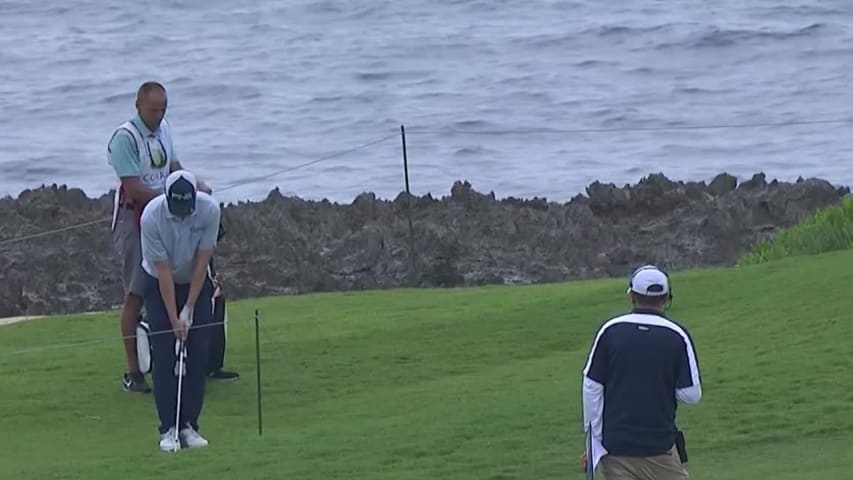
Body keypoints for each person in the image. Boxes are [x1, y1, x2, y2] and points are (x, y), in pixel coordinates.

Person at [107, 80, 211, 393]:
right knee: (136, 292)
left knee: (176, 278)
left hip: (165, 214)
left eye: (163, 108)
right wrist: (171, 199)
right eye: (154, 109)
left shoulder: (164, 129)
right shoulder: (125, 138)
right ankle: (133, 370)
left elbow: (174, 167)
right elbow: (134, 187)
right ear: (139, 106)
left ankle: (180, 359)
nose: (159, 114)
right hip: (134, 217)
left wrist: (195, 187)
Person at [580, 265, 702, 480]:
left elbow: (592, 386)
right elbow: (692, 395)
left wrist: (594, 443)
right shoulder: (677, 335)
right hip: (660, 449)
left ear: (632, 296)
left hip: (615, 450)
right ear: (667, 298)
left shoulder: (610, 330)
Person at [140, 169, 220, 451]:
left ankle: (189, 426)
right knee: (164, 354)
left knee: (198, 351)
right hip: (159, 282)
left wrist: (189, 308)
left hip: (194, 282)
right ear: (167, 198)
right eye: (178, 209)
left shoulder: (209, 211)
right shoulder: (152, 217)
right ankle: (168, 429)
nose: (184, 216)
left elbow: (202, 262)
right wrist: (175, 318)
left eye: (187, 209)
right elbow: (162, 272)